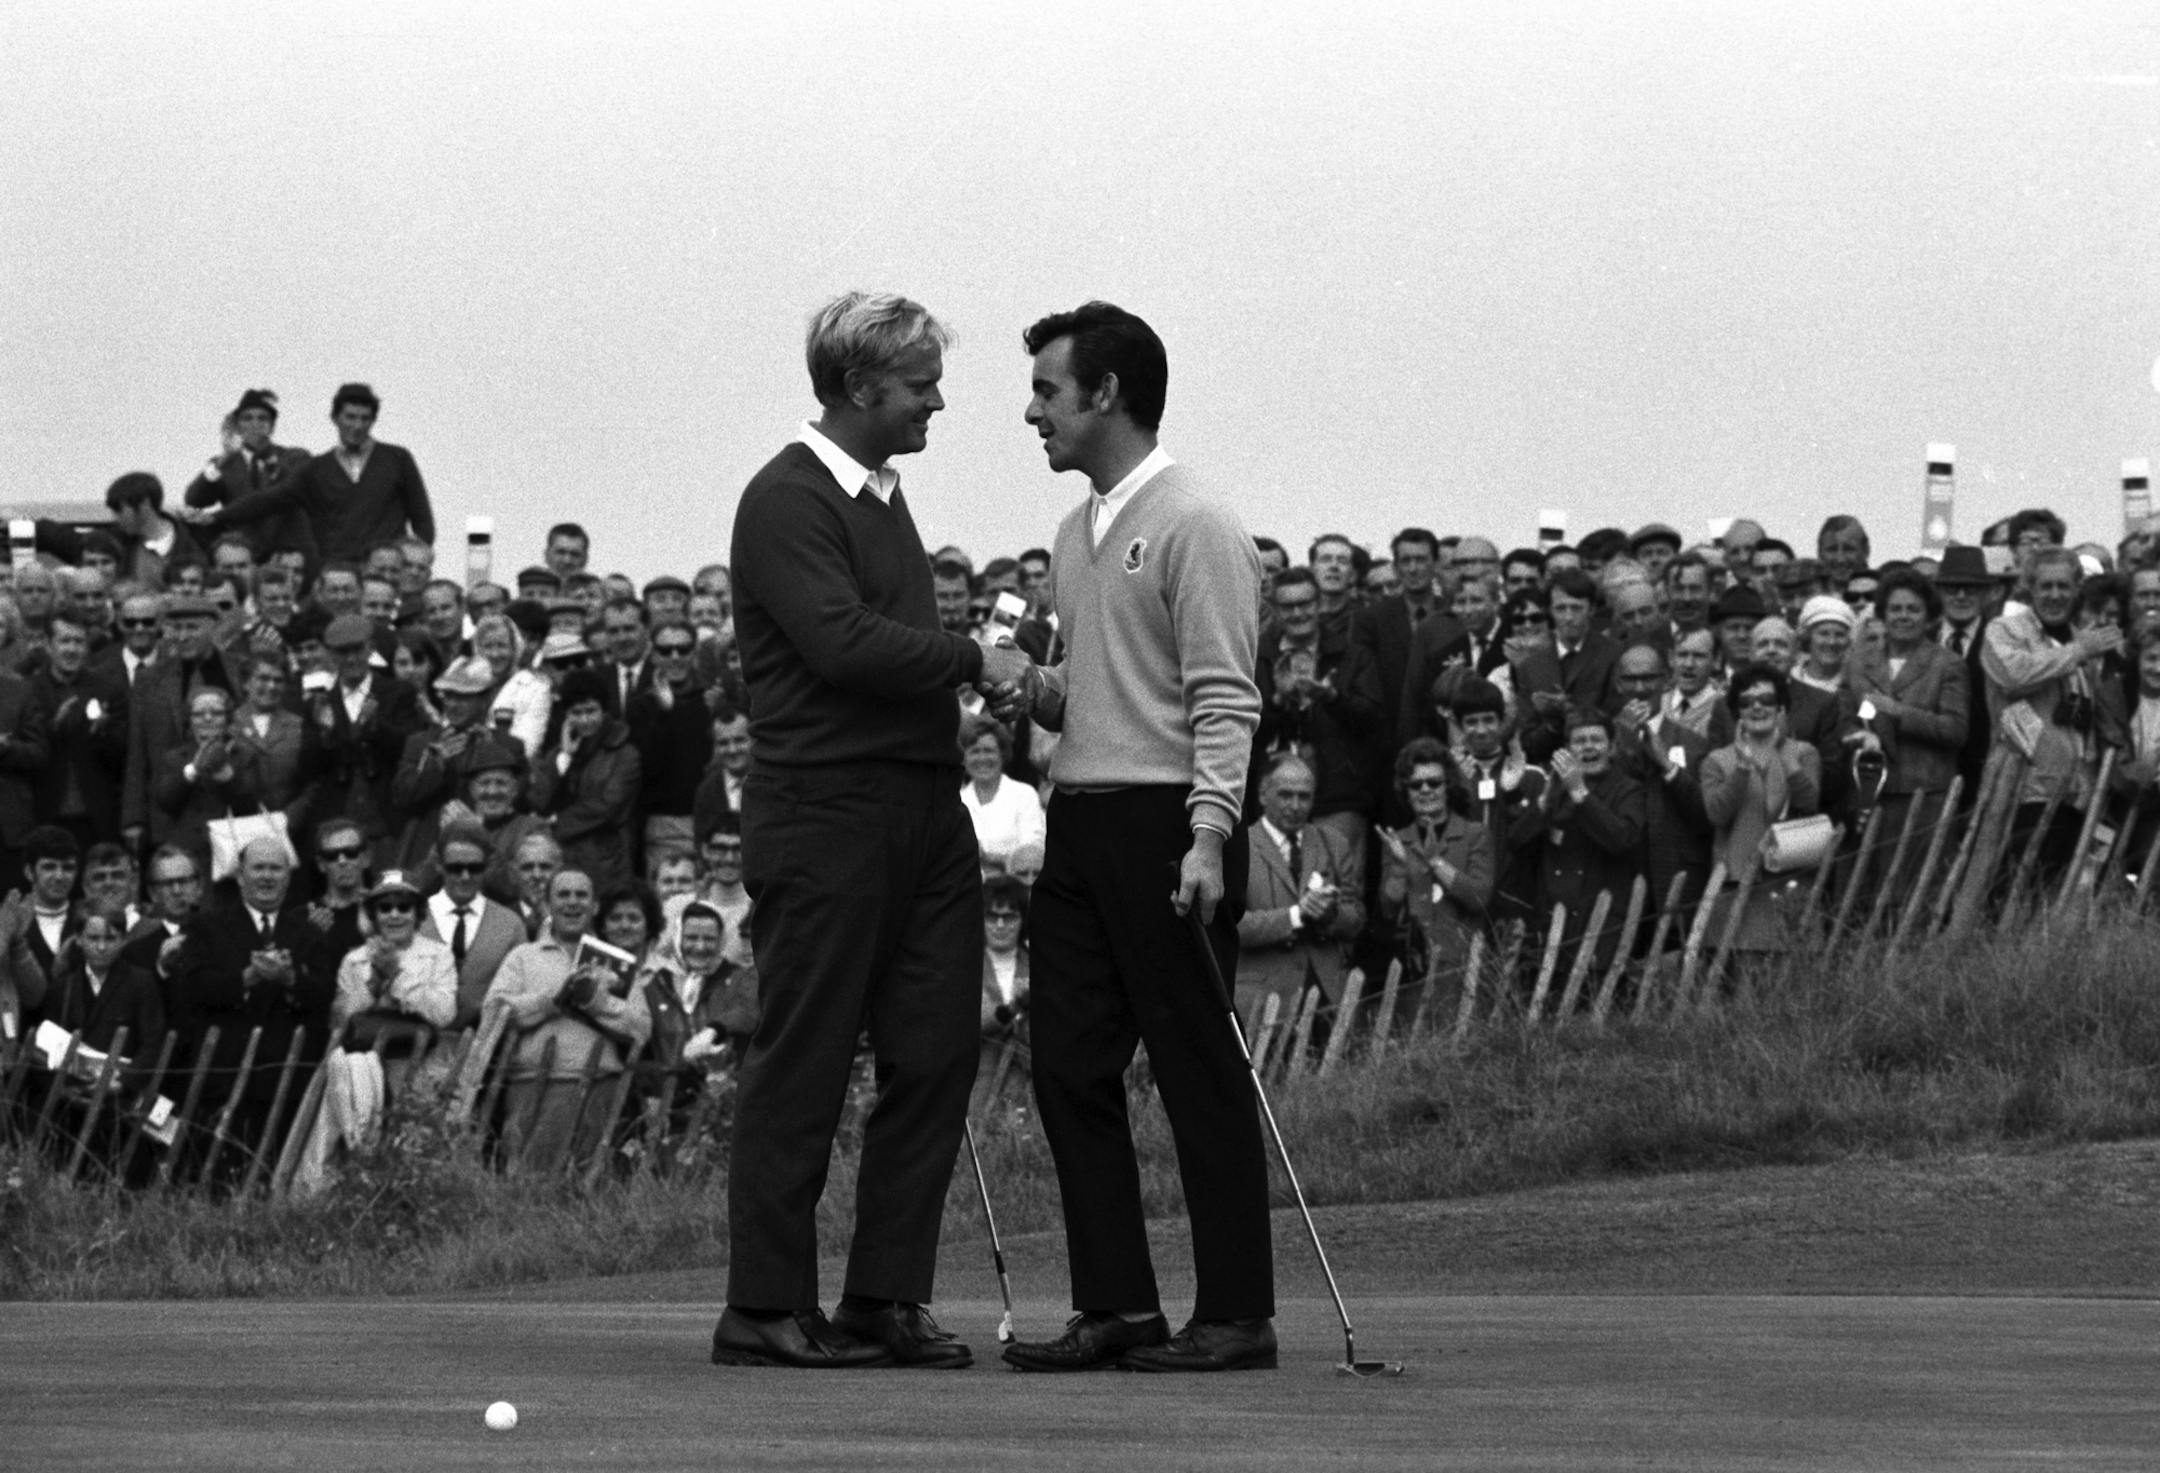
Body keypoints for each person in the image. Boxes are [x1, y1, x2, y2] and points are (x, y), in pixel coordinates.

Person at [711, 291, 1025, 1373]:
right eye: (920, 383)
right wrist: (980, 661)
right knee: (802, 1058)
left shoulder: (883, 497)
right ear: (857, 389)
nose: (937, 400)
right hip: (824, 813)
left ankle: (882, 1296)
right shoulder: (787, 500)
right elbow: (844, 647)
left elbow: (880, 652)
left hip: (918, 810)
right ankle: (764, 1305)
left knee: (936, 1053)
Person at [999, 301, 1275, 1375]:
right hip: (1080, 821)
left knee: (1199, 1069)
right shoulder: (1074, 534)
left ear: (1104, 394)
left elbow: (1223, 697)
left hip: (1170, 827)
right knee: (1068, 1068)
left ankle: (1238, 1315)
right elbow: (1096, 697)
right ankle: (1117, 1305)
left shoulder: (1198, 521)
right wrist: (1028, 688)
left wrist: (1209, 837)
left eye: (1046, 393)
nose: (1033, 414)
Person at [165, 836, 337, 1184]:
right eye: (258, 867)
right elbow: (193, 987)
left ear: (288, 877)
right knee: (218, 1178)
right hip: (225, 1075)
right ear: (240, 876)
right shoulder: (207, 927)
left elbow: (323, 995)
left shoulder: (309, 933)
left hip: (286, 1080)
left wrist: (289, 978)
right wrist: (248, 977)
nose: (267, 876)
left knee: (280, 1177)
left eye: (276, 868)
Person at [481, 867, 650, 1175]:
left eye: (581, 895)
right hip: (531, 1086)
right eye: (563, 894)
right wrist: (552, 1001)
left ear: (595, 905)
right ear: (547, 905)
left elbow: (641, 1029)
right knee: (528, 1183)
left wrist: (595, 1004)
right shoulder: (524, 957)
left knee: (592, 1188)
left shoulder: (618, 961)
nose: (573, 902)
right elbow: (494, 1013)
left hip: (601, 1087)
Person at [208, 383, 434, 568]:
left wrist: (416, 562)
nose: (357, 425)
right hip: (338, 575)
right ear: (335, 418)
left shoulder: (397, 459)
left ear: (373, 421)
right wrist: (216, 517)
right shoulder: (317, 469)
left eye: (364, 418)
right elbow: (269, 499)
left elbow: (422, 518)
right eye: (350, 417)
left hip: (386, 572)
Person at [1699, 664, 1825, 956]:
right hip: (1736, 887)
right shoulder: (1716, 761)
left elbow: (1809, 803)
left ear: (1781, 707)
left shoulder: (1804, 752)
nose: (1757, 707)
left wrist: (1786, 755)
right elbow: (1717, 814)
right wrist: (1742, 769)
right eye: (1746, 702)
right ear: (1736, 711)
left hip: (1791, 881)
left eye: (1767, 700)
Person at [1233, 752, 1363, 1017]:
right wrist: (1295, 916)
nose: (1295, 805)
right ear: (1262, 795)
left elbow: (1356, 920)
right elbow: (1230, 928)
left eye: (1304, 796)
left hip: (1327, 994)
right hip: (1263, 1001)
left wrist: (1330, 914)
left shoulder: (1333, 844)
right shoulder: (1238, 849)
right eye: (1285, 795)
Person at [1377, 737, 1493, 1026]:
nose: (1426, 790)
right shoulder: (1397, 840)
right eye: (1416, 785)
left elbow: (1479, 897)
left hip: (1464, 966)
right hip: (1414, 970)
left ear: (1448, 785)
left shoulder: (1474, 834)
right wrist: (1400, 869)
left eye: (1434, 782)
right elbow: (1388, 910)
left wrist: (1436, 862)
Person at [527, 667, 640, 894]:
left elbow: (609, 806)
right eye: (577, 713)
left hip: (605, 861)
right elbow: (540, 800)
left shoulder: (624, 753)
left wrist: (556, 822)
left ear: (604, 710)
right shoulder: (557, 753)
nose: (585, 719)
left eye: (591, 711)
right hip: (561, 858)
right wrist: (565, 757)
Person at [182, 389, 317, 569]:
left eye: (262, 418)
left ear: (272, 425)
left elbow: (268, 500)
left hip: (284, 557)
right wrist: (223, 459)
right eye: (248, 418)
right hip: (242, 558)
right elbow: (194, 499)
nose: (255, 424)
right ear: (237, 425)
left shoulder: (294, 457)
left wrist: (216, 517)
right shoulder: (225, 464)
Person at [420, 822, 528, 1026]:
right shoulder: (413, 918)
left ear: (487, 866)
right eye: (455, 868)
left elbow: (521, 990)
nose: (465, 877)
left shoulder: (511, 925)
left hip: (485, 1047)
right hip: (413, 1040)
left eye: (475, 868)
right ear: (439, 865)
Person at [957, 713, 1044, 877]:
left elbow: (1033, 849)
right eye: (975, 751)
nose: (982, 758)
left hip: (1014, 893)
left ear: (1002, 754)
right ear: (964, 758)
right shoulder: (956, 801)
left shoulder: (1024, 795)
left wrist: (989, 858)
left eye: (989, 751)